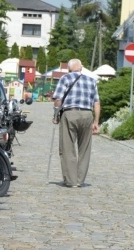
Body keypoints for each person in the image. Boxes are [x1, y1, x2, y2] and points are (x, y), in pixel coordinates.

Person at [52, 58, 101, 188]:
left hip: (70, 113)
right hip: (87, 114)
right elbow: (96, 102)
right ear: (81, 67)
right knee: (84, 148)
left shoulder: (65, 78)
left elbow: (58, 100)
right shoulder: (92, 81)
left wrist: (56, 115)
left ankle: (71, 181)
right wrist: (96, 121)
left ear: (69, 69)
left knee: (67, 148)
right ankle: (80, 180)